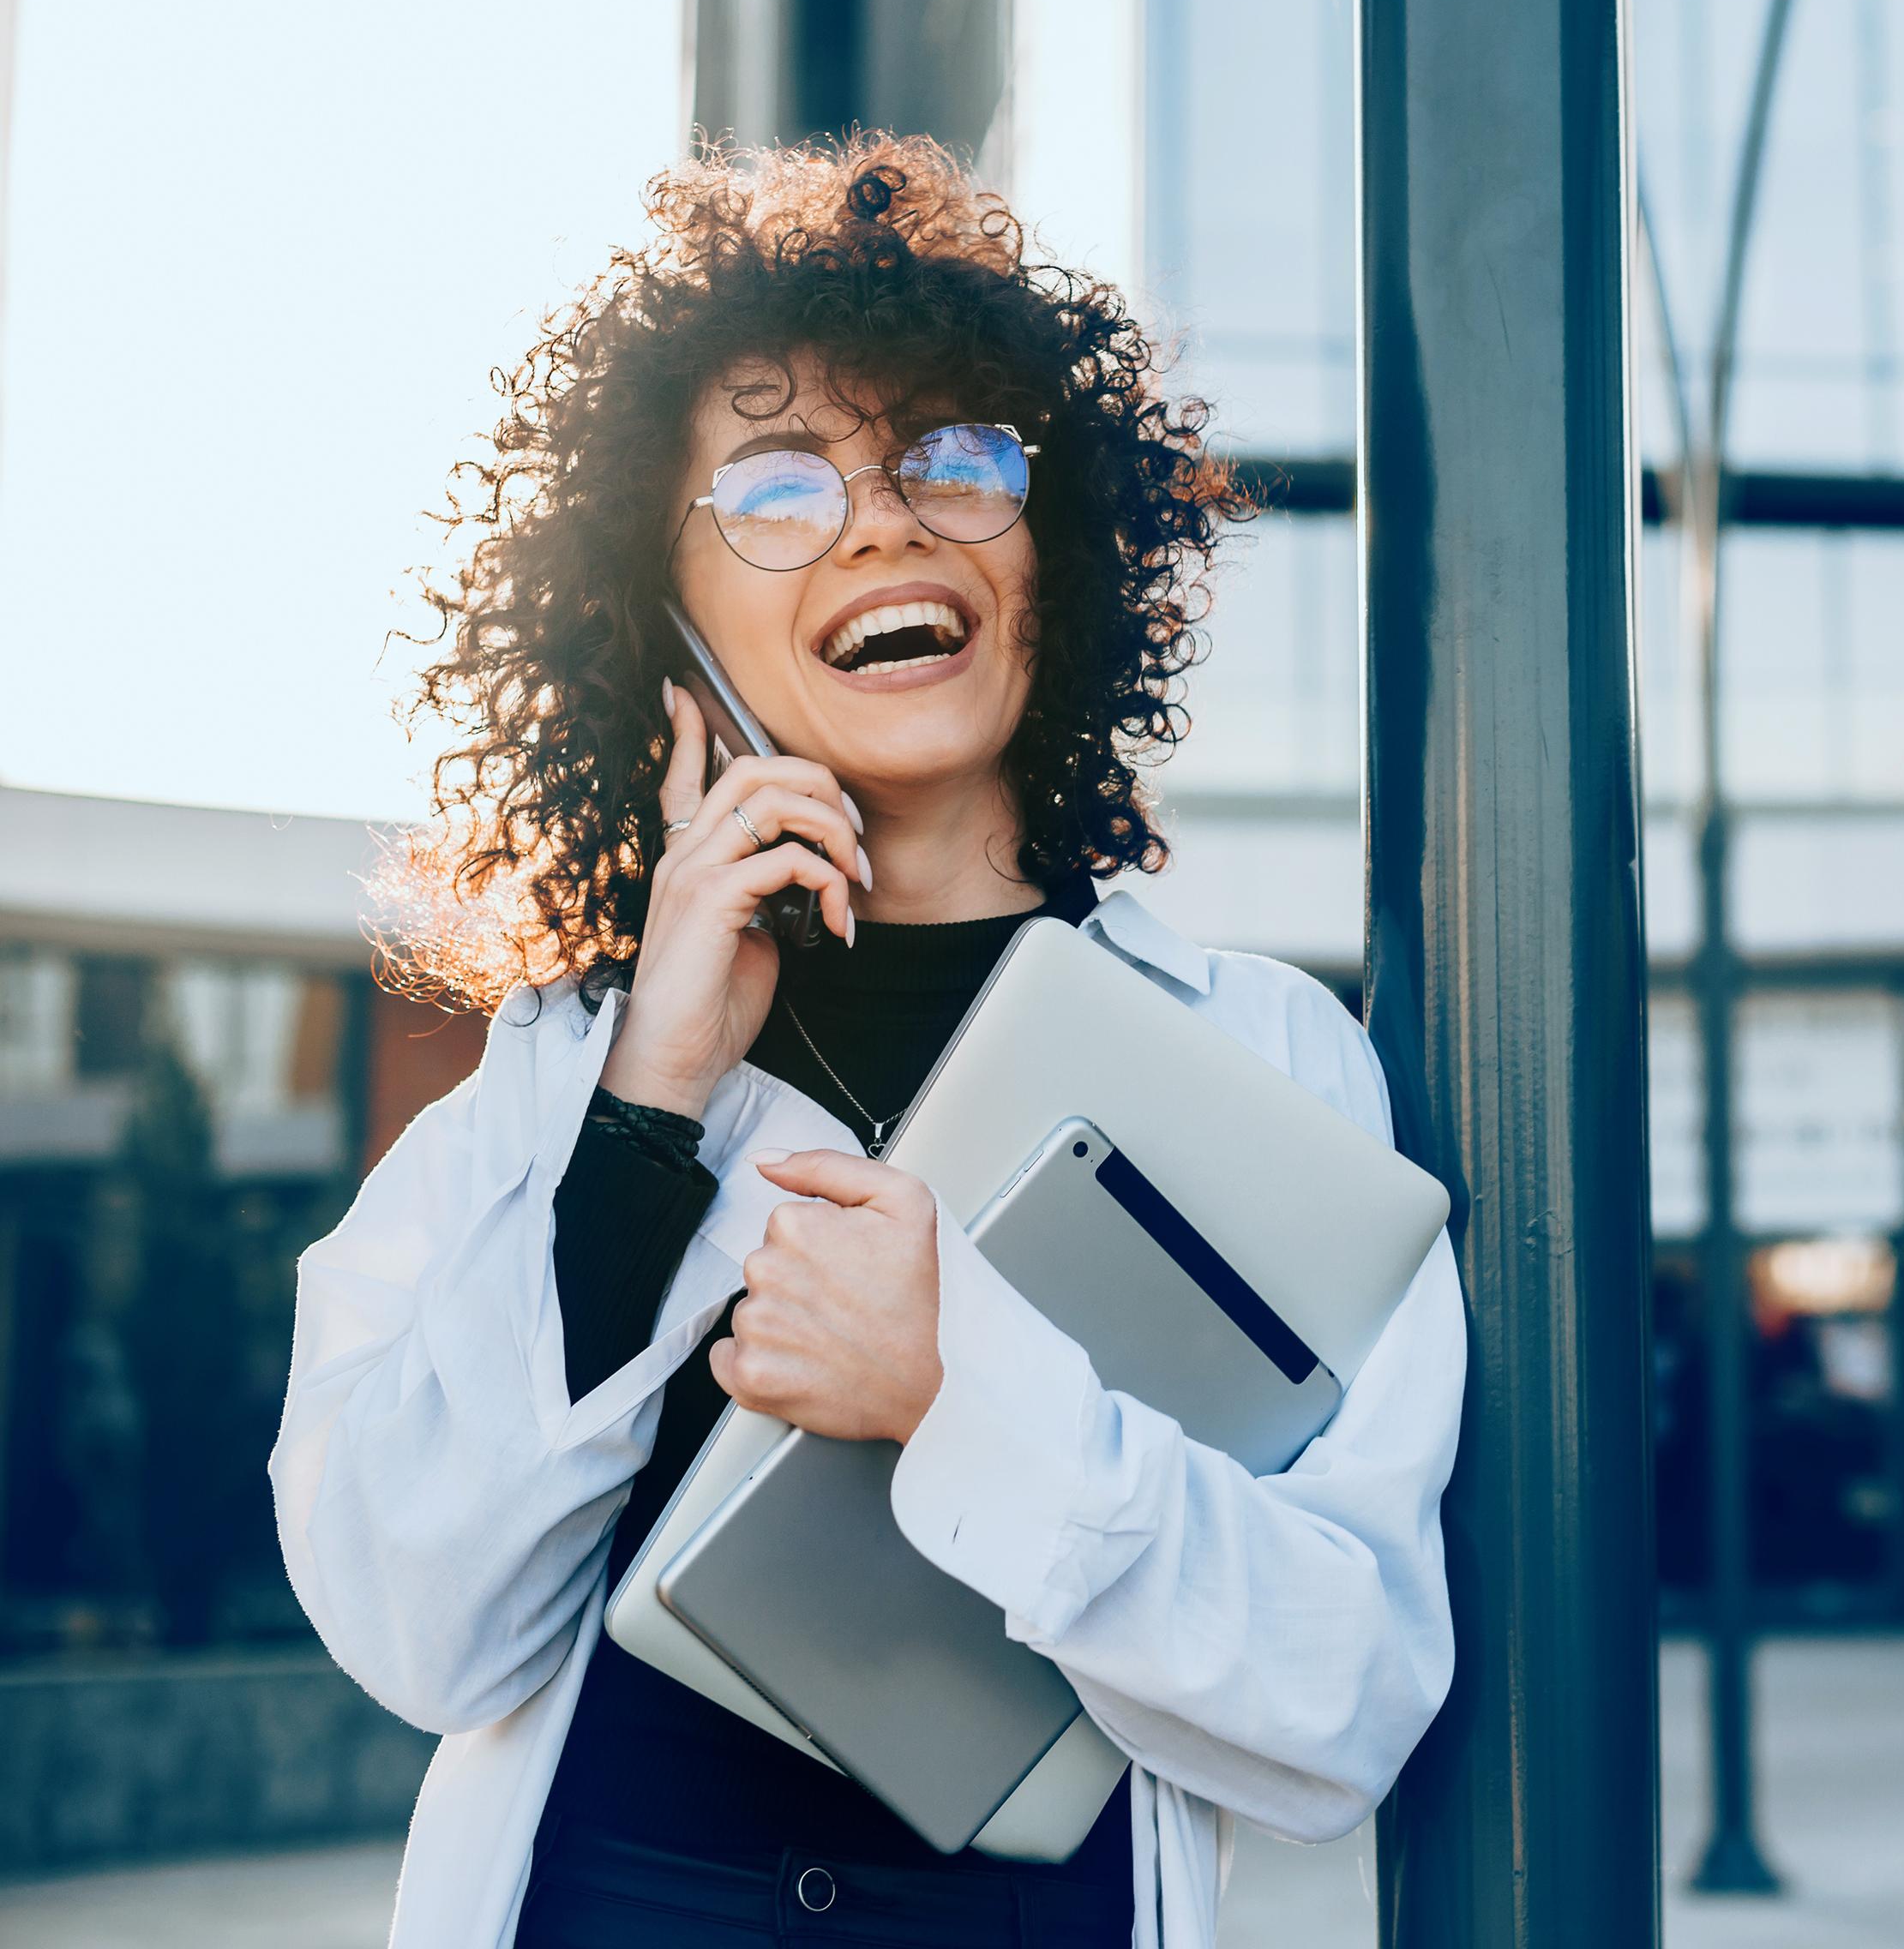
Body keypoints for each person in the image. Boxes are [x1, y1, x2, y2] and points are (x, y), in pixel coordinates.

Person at [269, 135, 1463, 1949]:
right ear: (659, 616)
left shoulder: (1267, 1066)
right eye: (775, 485)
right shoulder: (559, 1076)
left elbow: (1342, 1704)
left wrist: (956, 1396)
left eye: (959, 459)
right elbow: (414, 1620)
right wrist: (649, 1105)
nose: (889, 521)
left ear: (1054, 556)